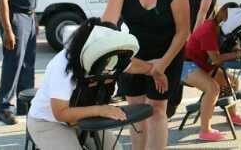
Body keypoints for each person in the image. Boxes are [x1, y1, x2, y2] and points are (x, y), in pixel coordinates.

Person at [101, 0, 190, 150]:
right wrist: (105, 46)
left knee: (157, 109)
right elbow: (109, 22)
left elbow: (183, 31)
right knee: (136, 110)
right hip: (135, 54)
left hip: (168, 53)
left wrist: (161, 65)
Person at [27, 17, 166, 149]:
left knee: (115, 149)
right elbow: (60, 113)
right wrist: (101, 110)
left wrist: (154, 71)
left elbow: (131, 65)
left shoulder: (106, 56)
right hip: (48, 122)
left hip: (85, 117)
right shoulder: (62, 65)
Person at [181, 2, 241, 141]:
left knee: (232, 81)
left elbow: (229, 46)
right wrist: (239, 55)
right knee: (212, 88)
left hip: (202, 65)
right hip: (186, 65)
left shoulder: (220, 29)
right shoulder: (208, 30)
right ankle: (205, 131)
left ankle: (232, 115)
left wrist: (240, 50)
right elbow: (216, 59)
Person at [0, 0, 41, 125]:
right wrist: (8, 30)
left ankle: (26, 104)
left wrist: (35, 20)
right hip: (16, 19)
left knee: (28, 64)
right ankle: (5, 107)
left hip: (30, 19)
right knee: (13, 63)